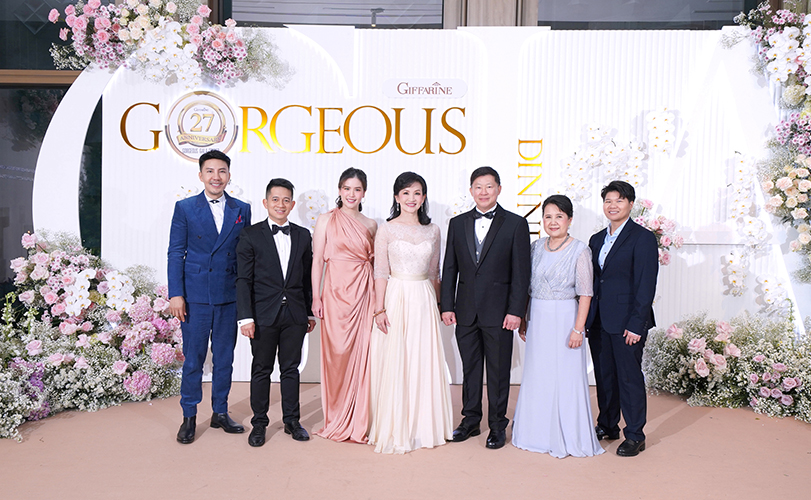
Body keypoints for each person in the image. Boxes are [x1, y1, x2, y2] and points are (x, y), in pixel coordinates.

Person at [440, 166, 531, 450]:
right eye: (478, 187)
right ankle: (470, 421)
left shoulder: (515, 224)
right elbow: (450, 267)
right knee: (470, 369)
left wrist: (516, 311)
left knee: (498, 371)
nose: (483, 192)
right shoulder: (457, 223)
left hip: (500, 313)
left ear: (499, 189)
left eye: (489, 186)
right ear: (471, 191)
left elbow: (521, 273)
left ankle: (497, 425)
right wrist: (447, 305)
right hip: (465, 311)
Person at [167, 149, 251, 444]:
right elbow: (176, 252)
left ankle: (220, 412)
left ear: (229, 175)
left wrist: (247, 299)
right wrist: (176, 294)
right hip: (195, 296)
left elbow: (245, 255)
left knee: (225, 359)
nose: (217, 177)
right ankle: (189, 416)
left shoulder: (242, 209)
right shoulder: (185, 208)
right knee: (194, 359)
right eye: (211, 171)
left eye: (222, 171)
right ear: (201, 175)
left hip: (229, 295)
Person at [512, 195, 604, 458]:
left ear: (570, 219)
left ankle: (568, 435)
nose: (553, 222)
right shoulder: (535, 247)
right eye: (548, 217)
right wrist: (524, 318)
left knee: (565, 376)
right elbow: (527, 286)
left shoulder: (580, 250)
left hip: (565, 317)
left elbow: (586, 293)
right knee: (538, 374)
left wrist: (578, 329)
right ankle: (535, 433)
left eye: (559, 216)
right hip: (538, 316)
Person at [368, 172, 453, 454]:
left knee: (422, 359)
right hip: (396, 297)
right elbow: (380, 271)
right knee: (397, 359)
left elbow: (435, 273)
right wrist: (379, 309)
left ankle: (422, 425)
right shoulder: (386, 229)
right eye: (405, 193)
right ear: (396, 197)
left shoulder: (434, 230)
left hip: (424, 298)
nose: (411, 198)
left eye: (417, 193)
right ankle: (396, 424)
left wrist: (440, 306)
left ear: (424, 197)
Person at [236, 178, 317, 447]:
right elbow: (243, 280)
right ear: (265, 202)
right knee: (261, 369)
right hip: (262, 315)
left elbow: (307, 278)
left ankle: (292, 421)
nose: (280, 204)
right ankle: (259, 423)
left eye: (286, 200)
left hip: (294, 314)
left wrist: (309, 313)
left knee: (291, 369)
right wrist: (246, 317)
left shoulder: (303, 235)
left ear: (292, 204)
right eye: (275, 199)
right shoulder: (250, 235)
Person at [586, 180, 659, 457]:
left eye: (619, 200)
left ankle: (635, 434)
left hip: (628, 322)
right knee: (604, 377)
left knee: (628, 378)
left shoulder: (642, 238)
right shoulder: (596, 239)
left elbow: (645, 285)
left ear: (631, 204)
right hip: (599, 321)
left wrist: (637, 324)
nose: (612, 205)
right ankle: (607, 424)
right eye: (608, 200)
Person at [311, 168, 377, 443]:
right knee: (336, 355)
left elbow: (376, 265)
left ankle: (359, 419)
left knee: (364, 357)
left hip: (364, 294)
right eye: (347, 188)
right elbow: (317, 260)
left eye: (357, 189)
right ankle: (336, 417)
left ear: (364, 192)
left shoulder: (371, 224)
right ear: (339, 190)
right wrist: (316, 297)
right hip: (334, 294)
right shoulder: (326, 220)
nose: (351, 194)